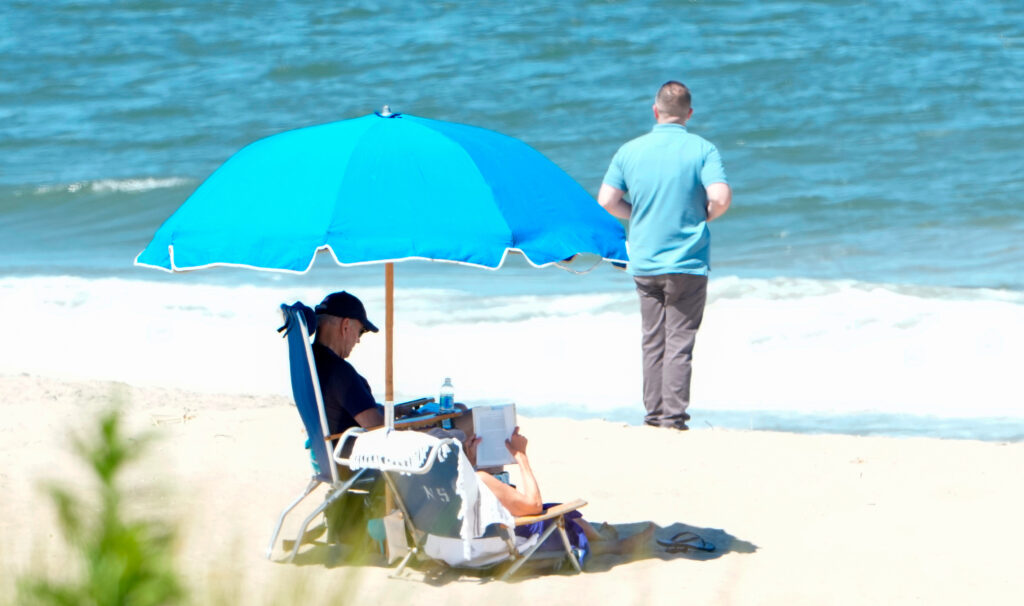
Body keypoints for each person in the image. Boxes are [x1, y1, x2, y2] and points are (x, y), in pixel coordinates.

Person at [598, 81, 732, 430]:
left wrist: (638, 214)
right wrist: (704, 215)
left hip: (645, 260)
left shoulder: (629, 151)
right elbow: (720, 197)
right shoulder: (703, 149)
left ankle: (654, 415)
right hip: (688, 260)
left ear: (655, 111)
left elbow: (607, 202)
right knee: (680, 341)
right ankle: (673, 419)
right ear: (689, 114)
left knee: (652, 339)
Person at [463, 427, 654, 557]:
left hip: (470, 545)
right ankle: (614, 546)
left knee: (557, 510)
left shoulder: (445, 483)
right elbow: (534, 505)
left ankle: (602, 539)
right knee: (561, 516)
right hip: (504, 543)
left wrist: (470, 464)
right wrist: (521, 457)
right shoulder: (481, 478)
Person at [312, 291, 384, 437]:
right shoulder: (339, 372)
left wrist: (392, 411)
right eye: (360, 331)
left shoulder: (313, 362)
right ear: (345, 326)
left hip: (330, 451)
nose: (358, 340)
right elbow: (379, 429)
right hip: (355, 454)